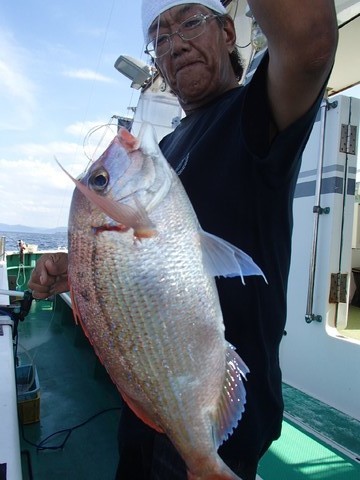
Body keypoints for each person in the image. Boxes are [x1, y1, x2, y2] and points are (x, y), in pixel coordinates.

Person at [29, 0, 338, 478]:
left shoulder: (254, 113)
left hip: (218, 419)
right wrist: (79, 268)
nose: (175, 45)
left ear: (228, 32)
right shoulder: (167, 151)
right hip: (148, 415)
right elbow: (150, 259)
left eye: (190, 21)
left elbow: (310, 44)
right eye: (160, 37)